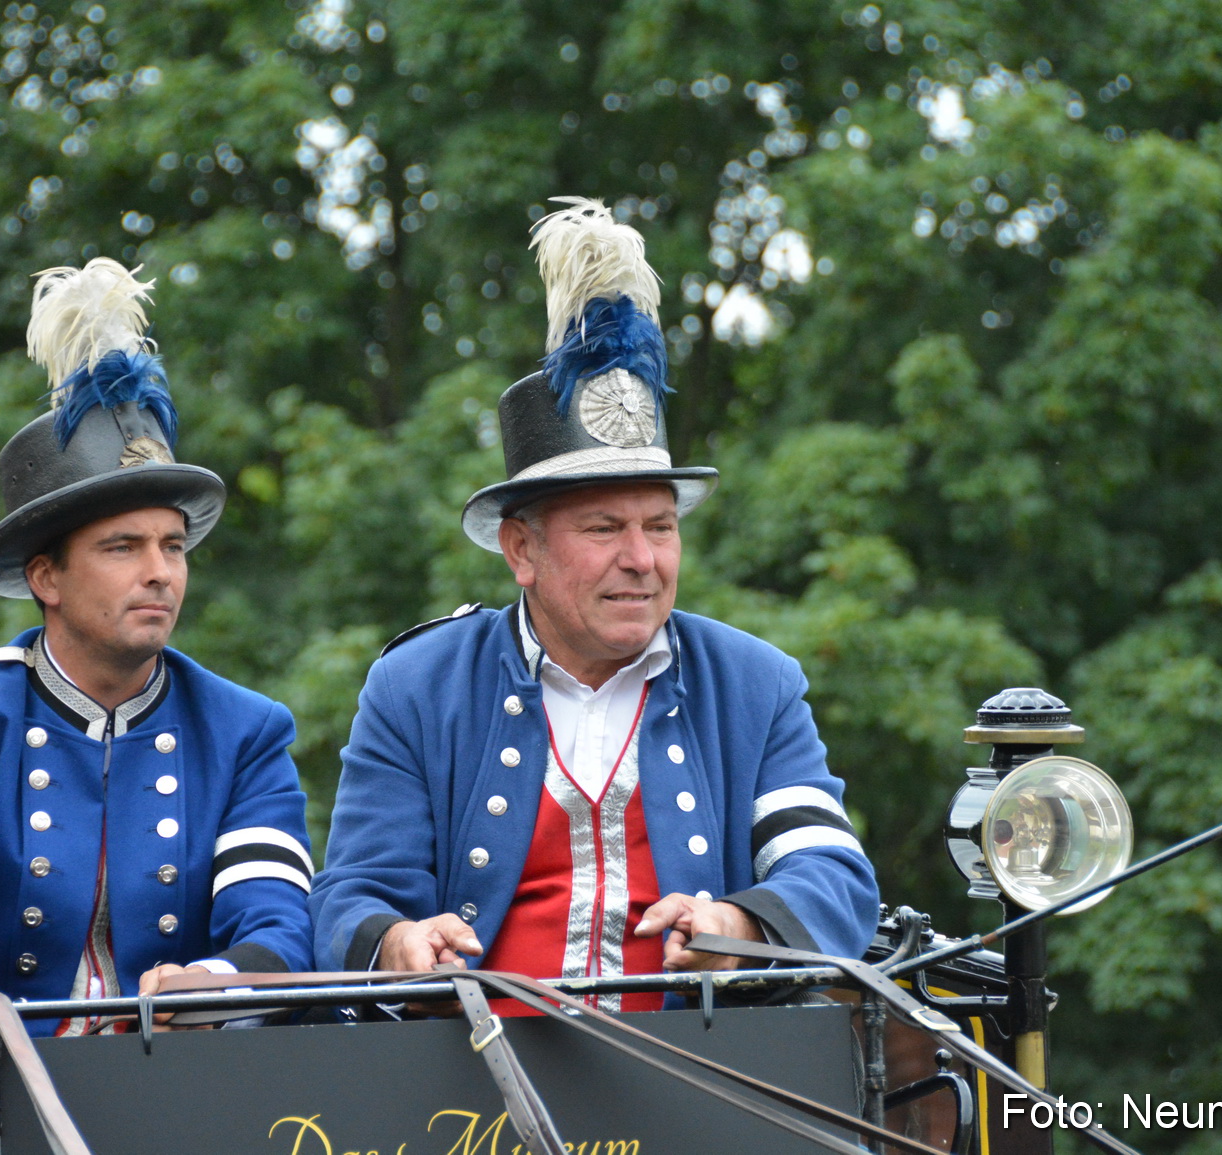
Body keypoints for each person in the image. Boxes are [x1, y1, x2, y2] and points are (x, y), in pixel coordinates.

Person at [310, 198, 878, 1013]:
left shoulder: (758, 683)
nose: (642, 559)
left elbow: (834, 874)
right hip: (471, 1110)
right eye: (605, 527)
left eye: (660, 526)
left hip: (707, 1095)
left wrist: (738, 925)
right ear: (521, 550)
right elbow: (350, 896)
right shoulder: (414, 686)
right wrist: (399, 943)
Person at [0, 259, 313, 1155]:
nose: (160, 570)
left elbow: (278, 928)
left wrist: (219, 980)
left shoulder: (247, 730)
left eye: (173, 545)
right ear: (45, 577)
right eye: (122, 545)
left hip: (184, 1098)